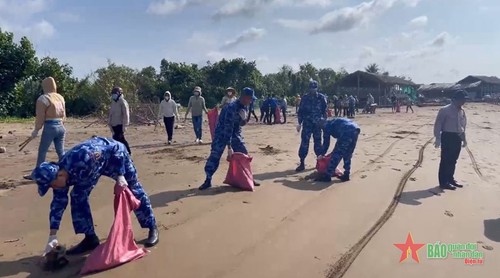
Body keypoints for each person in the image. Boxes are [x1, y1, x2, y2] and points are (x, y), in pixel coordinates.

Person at [31, 136, 159, 256]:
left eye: (51, 185)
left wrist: (120, 175)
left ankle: (152, 226)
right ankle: (90, 238)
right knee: (77, 196)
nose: (52, 188)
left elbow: (117, 148)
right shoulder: (59, 180)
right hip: (89, 173)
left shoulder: (84, 156)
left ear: (59, 175)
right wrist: (52, 235)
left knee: (133, 188)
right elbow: (58, 203)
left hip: (114, 158)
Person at [199, 87, 260, 190]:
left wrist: (245, 118)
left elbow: (240, 125)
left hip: (235, 132)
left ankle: (248, 178)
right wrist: (229, 148)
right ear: (245, 97)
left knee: (244, 154)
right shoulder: (231, 108)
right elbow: (228, 128)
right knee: (215, 156)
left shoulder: (244, 107)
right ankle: (208, 180)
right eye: (250, 99)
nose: (251, 101)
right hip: (222, 133)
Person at [24, 77, 66, 180]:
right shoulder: (60, 97)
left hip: (50, 127)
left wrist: (36, 130)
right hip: (61, 126)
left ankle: (37, 174)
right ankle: (67, 171)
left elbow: (40, 117)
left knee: (42, 151)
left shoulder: (43, 99)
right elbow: (64, 115)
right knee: (61, 151)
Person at [433, 90, 468, 190]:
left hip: (457, 137)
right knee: (445, 160)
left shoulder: (462, 111)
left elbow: (462, 126)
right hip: (447, 136)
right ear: (456, 99)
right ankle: (443, 182)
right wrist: (438, 138)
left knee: (453, 160)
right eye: (463, 99)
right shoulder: (444, 110)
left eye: (465, 99)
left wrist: (464, 139)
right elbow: (438, 125)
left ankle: (450, 178)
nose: (464, 101)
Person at [295, 80, 328, 172]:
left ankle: (319, 162)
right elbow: (300, 111)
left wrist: (324, 122)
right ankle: (302, 163)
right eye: (311, 88)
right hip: (307, 124)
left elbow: (325, 111)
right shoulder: (305, 98)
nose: (312, 90)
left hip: (317, 125)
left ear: (317, 88)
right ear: (309, 88)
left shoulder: (321, 98)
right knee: (304, 143)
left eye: (314, 88)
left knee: (318, 143)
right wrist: (299, 123)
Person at [315, 118, 360, 182]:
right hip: (355, 129)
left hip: (346, 131)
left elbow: (326, 143)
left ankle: (327, 175)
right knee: (348, 153)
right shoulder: (332, 122)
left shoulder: (326, 127)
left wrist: (322, 154)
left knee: (337, 154)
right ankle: (346, 174)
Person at [108, 87, 131, 155]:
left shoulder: (123, 102)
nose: (113, 95)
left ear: (119, 93)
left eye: (115, 93)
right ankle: (119, 154)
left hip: (120, 124)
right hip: (114, 124)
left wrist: (125, 125)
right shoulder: (113, 102)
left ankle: (128, 153)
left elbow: (126, 114)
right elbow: (111, 113)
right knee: (115, 140)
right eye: (113, 94)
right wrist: (109, 123)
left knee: (121, 139)